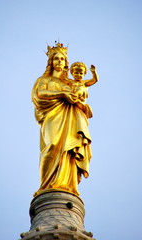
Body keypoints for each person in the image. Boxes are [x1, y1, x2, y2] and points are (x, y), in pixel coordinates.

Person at [31, 43, 94, 196]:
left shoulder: (70, 82)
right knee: (52, 145)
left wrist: (79, 100)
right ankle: (46, 185)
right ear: (51, 62)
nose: (59, 62)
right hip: (52, 115)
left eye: (62, 59)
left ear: (66, 63)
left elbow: (82, 91)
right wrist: (62, 95)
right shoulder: (44, 79)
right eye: (56, 59)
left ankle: (67, 184)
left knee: (70, 151)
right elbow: (40, 94)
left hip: (71, 116)